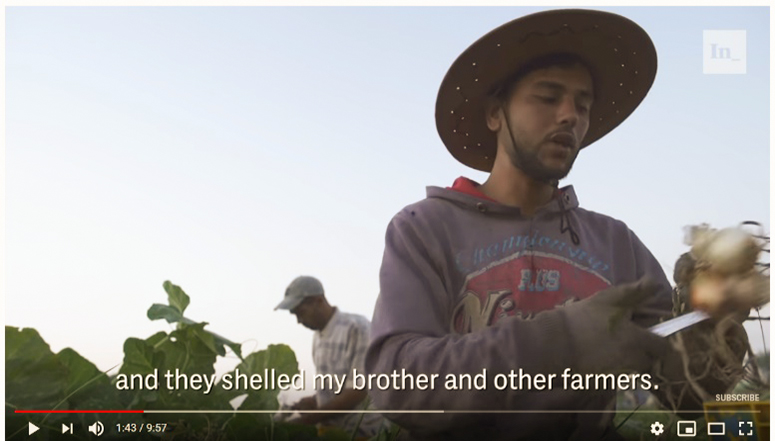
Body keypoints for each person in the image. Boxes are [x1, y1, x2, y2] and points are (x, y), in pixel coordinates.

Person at [366, 9, 748, 441]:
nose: (570, 116)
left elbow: (687, 395)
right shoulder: (425, 228)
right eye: (548, 98)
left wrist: (716, 335)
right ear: (495, 114)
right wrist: (563, 341)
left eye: (583, 105)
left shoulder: (616, 244)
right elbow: (399, 383)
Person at [275, 275, 383, 439]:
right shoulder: (317, 337)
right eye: (294, 315)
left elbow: (359, 390)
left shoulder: (357, 328)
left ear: (318, 301)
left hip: (362, 433)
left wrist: (306, 420)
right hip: (331, 432)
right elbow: (336, 387)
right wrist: (314, 400)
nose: (299, 321)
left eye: (300, 312)